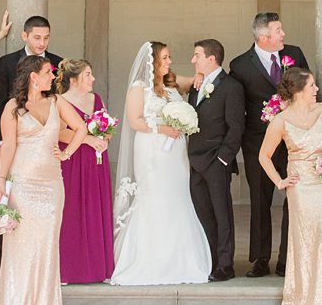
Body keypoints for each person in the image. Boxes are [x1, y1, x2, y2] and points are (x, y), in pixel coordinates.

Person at [109, 41, 212, 286]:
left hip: (176, 152)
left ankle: (180, 259)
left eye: (169, 57)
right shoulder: (139, 88)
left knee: (177, 196)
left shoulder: (172, 84)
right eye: (164, 58)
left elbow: (197, 80)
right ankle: (148, 259)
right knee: (154, 196)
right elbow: (134, 121)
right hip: (151, 148)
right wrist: (161, 128)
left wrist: (199, 73)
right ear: (152, 61)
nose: (168, 62)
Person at [257, 67, 322, 305]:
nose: (316, 90)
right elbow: (263, 156)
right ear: (299, 91)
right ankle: (307, 299)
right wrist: (280, 181)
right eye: (312, 86)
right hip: (300, 187)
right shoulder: (280, 120)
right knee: (306, 241)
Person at [0, 56, 80, 305]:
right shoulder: (12, 107)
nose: (52, 77)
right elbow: (7, 146)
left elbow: (80, 127)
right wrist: (1, 181)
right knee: (20, 244)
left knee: (47, 243)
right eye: (47, 72)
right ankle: (16, 303)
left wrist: (66, 154)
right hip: (23, 183)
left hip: (52, 183)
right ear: (33, 76)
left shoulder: (57, 102)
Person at [228, 12, 311, 278]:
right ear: (263, 37)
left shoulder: (295, 54)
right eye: (278, 31)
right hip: (257, 143)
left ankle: (288, 258)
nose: (283, 35)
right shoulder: (240, 65)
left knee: (294, 198)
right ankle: (260, 259)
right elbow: (236, 106)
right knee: (259, 200)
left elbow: (308, 89)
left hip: (293, 142)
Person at [0, 15, 62, 281]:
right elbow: (0, 105)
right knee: (6, 203)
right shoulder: (7, 63)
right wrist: (0, 144)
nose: (42, 43)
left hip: (44, 154)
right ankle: (0, 268)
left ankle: (41, 271)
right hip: (11, 145)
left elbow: (58, 108)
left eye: (46, 38)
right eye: (37, 37)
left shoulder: (56, 63)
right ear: (25, 36)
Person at [187, 39, 245, 282]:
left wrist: (223, 160)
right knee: (203, 213)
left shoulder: (231, 87)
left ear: (211, 59)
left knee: (222, 215)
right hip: (194, 161)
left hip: (216, 162)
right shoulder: (197, 85)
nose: (193, 60)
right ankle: (209, 260)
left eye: (197, 55)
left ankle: (225, 265)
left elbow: (236, 127)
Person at [54, 58, 116, 284]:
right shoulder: (60, 101)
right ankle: (69, 269)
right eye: (87, 75)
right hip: (73, 160)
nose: (93, 79)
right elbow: (60, 133)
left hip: (96, 162)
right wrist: (88, 139)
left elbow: (106, 123)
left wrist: (106, 135)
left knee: (95, 208)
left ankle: (100, 268)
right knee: (71, 210)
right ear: (73, 80)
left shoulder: (96, 98)